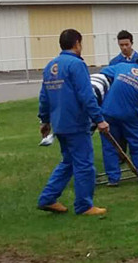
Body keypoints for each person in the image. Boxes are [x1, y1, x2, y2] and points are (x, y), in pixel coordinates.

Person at [37, 29, 110, 216]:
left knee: (68, 162)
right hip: (76, 122)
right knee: (84, 164)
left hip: (59, 123)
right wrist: (99, 120)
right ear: (77, 43)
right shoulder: (76, 65)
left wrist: (45, 120)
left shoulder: (50, 66)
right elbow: (86, 95)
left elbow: (44, 96)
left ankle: (47, 198)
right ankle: (84, 206)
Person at [99, 52, 138, 186]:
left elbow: (104, 71)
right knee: (137, 145)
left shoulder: (121, 66)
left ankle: (113, 179)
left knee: (109, 146)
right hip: (131, 117)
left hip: (109, 112)